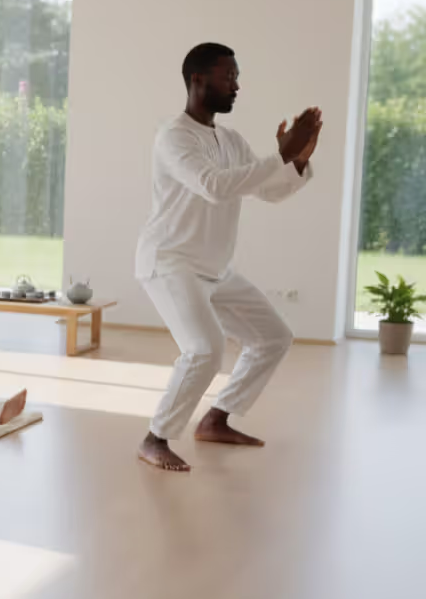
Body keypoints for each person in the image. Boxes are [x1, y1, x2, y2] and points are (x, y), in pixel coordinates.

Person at [136, 43, 321, 472]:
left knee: (274, 336)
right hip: (170, 262)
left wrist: (295, 161)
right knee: (204, 350)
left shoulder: (231, 140)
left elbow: (267, 191)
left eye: (237, 77)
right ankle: (154, 438)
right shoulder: (174, 136)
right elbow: (215, 185)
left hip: (215, 269)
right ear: (197, 80)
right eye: (228, 77)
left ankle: (216, 419)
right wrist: (278, 155)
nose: (237, 85)